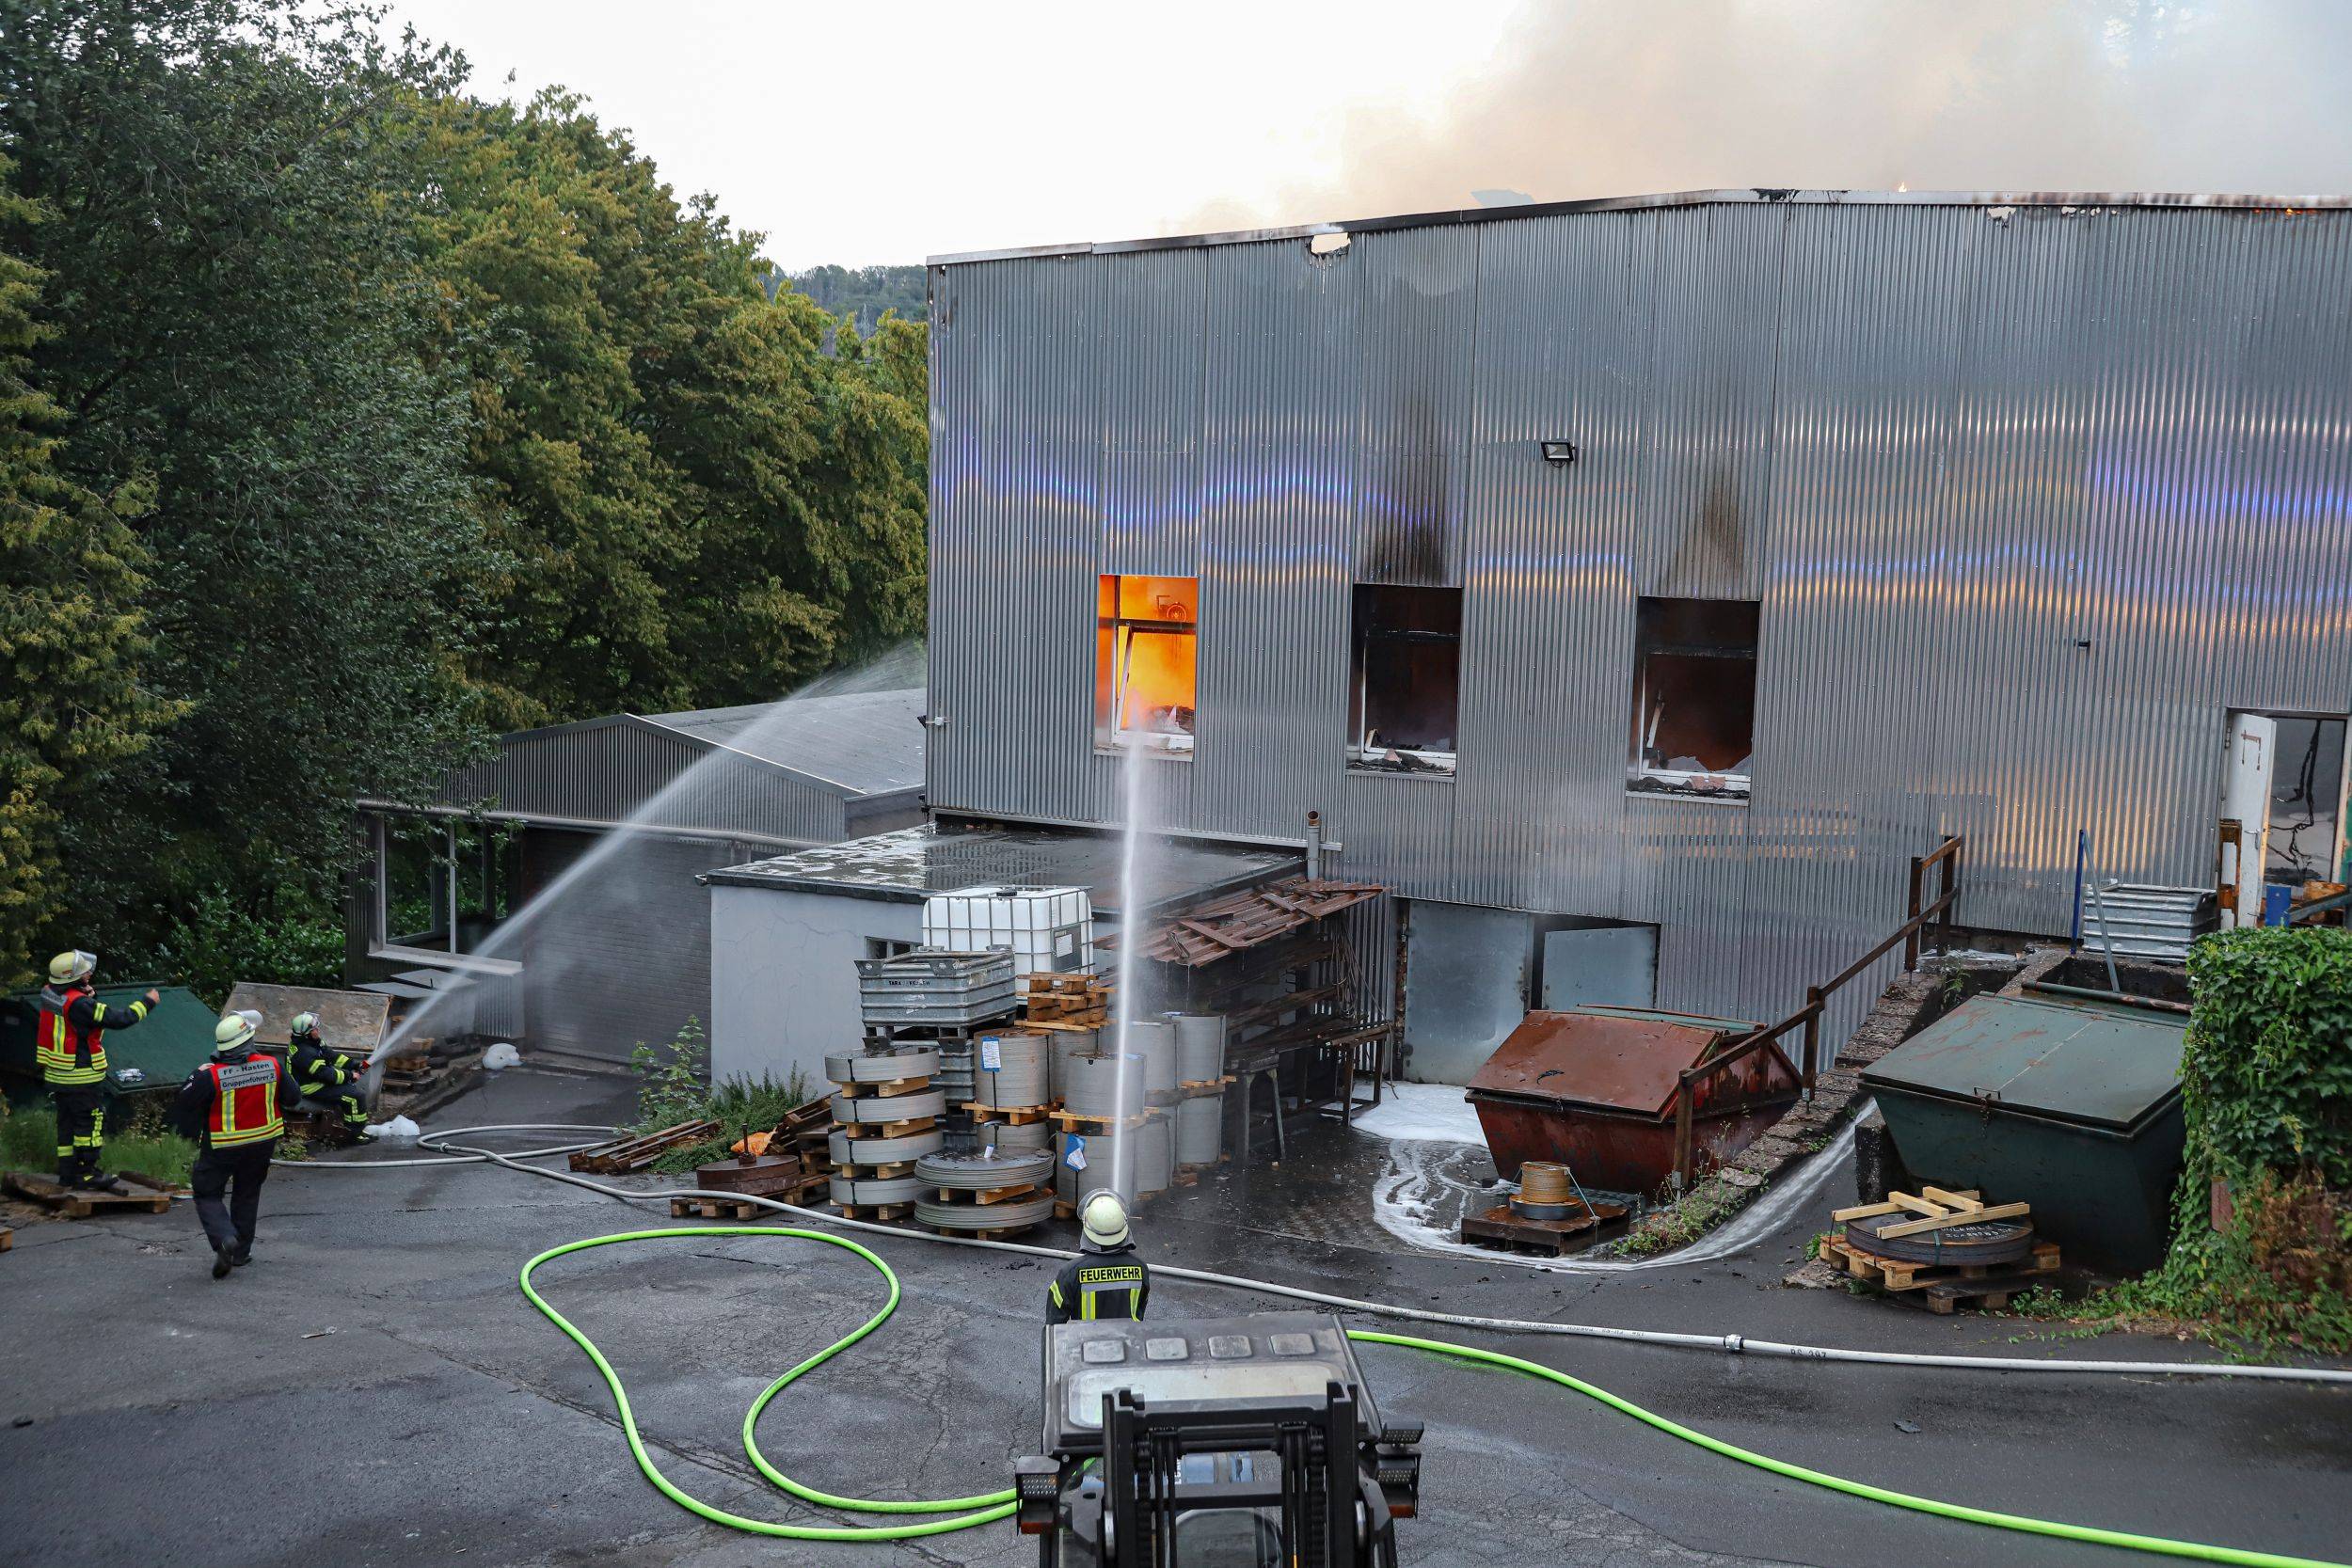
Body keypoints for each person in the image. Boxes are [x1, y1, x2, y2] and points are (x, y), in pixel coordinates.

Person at [173, 1010, 299, 1280]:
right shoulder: (272, 1065)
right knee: (247, 1194)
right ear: (248, 1041)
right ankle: (240, 1253)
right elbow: (293, 1098)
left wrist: (196, 1073)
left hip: (224, 1145)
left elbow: (184, 1101)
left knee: (207, 1193)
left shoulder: (212, 1076)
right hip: (263, 1143)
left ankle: (224, 1238)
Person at [35, 950, 159, 1193]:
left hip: (58, 1075)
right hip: (81, 1077)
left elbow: (75, 1017)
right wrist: (148, 1002)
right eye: (84, 973)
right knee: (89, 1125)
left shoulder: (49, 993)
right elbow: (121, 1019)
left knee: (66, 1124)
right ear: (73, 978)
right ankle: (87, 1173)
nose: (88, 975)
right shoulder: (80, 1004)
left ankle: (68, 1174)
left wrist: (88, 995)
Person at [1047, 1191, 1150, 1323]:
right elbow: (1139, 1312)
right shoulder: (1140, 1269)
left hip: (1086, 1338)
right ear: (1124, 1227)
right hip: (1127, 1337)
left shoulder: (1070, 1273)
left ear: (1087, 1229)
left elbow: (1054, 1324)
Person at [288, 1011, 372, 1144]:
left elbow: (333, 1056)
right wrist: (350, 1076)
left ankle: (355, 1130)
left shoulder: (314, 1043)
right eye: (314, 1029)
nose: (317, 1030)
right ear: (307, 1034)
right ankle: (353, 1135)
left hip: (317, 1081)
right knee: (355, 1097)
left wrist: (355, 1065)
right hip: (310, 1088)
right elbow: (325, 1075)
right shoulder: (304, 1053)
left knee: (351, 1090)